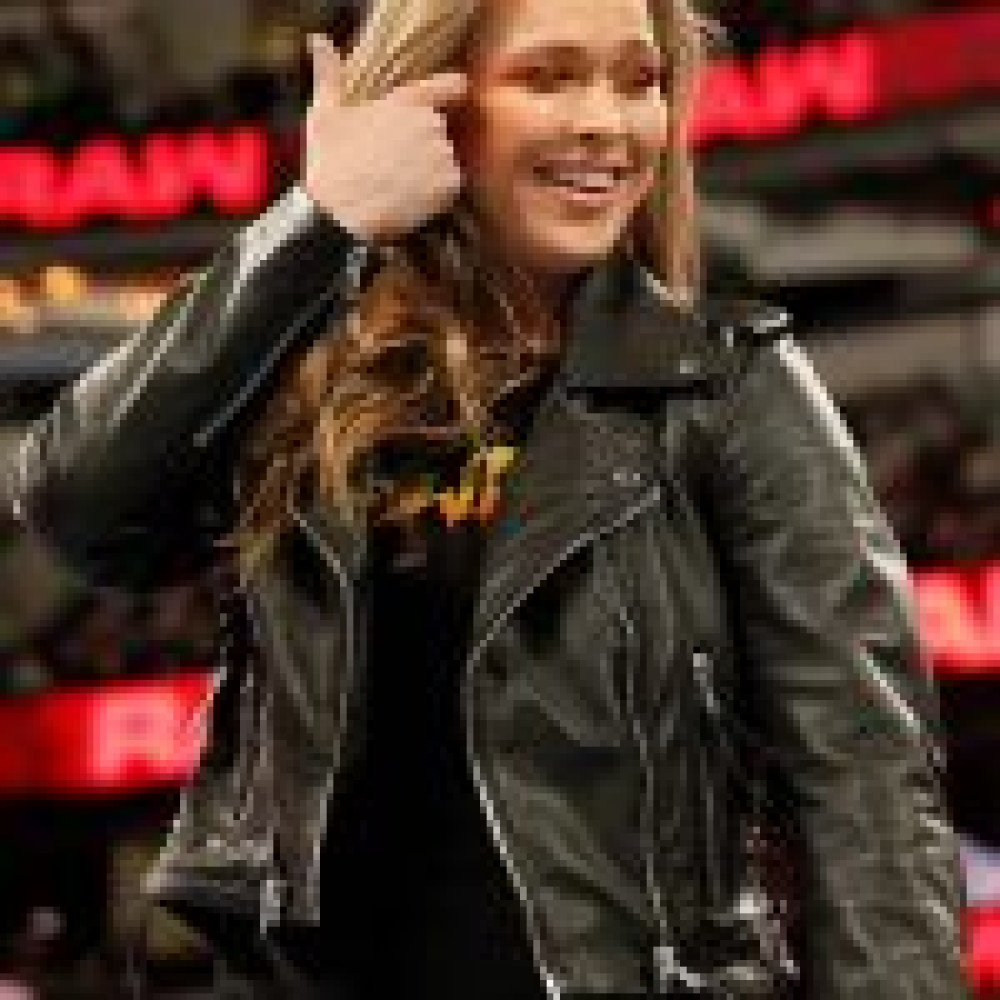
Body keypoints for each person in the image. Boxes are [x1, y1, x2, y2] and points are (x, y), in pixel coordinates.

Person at [9, 0, 971, 997]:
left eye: (637, 81)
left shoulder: (727, 387)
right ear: (430, 103)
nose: (605, 121)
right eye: (549, 77)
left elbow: (868, 793)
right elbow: (79, 505)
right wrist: (318, 221)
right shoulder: (301, 378)